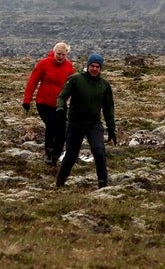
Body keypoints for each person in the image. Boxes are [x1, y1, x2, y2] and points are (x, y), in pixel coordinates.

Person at [56, 54, 117, 188]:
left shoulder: (104, 85)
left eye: (97, 67)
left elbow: (108, 107)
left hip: (94, 123)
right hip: (75, 123)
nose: (94, 69)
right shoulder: (76, 80)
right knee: (71, 155)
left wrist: (111, 127)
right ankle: (60, 182)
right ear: (88, 66)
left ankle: (103, 183)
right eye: (92, 66)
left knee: (99, 151)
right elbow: (62, 96)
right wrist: (60, 108)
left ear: (101, 68)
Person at [23, 42, 76, 166]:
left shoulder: (69, 66)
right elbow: (33, 81)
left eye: (63, 54)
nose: (60, 57)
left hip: (60, 104)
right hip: (44, 102)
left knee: (62, 129)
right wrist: (27, 100)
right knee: (52, 125)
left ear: (66, 55)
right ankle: (48, 152)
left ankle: (56, 155)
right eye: (58, 54)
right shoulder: (44, 64)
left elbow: (73, 85)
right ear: (54, 52)